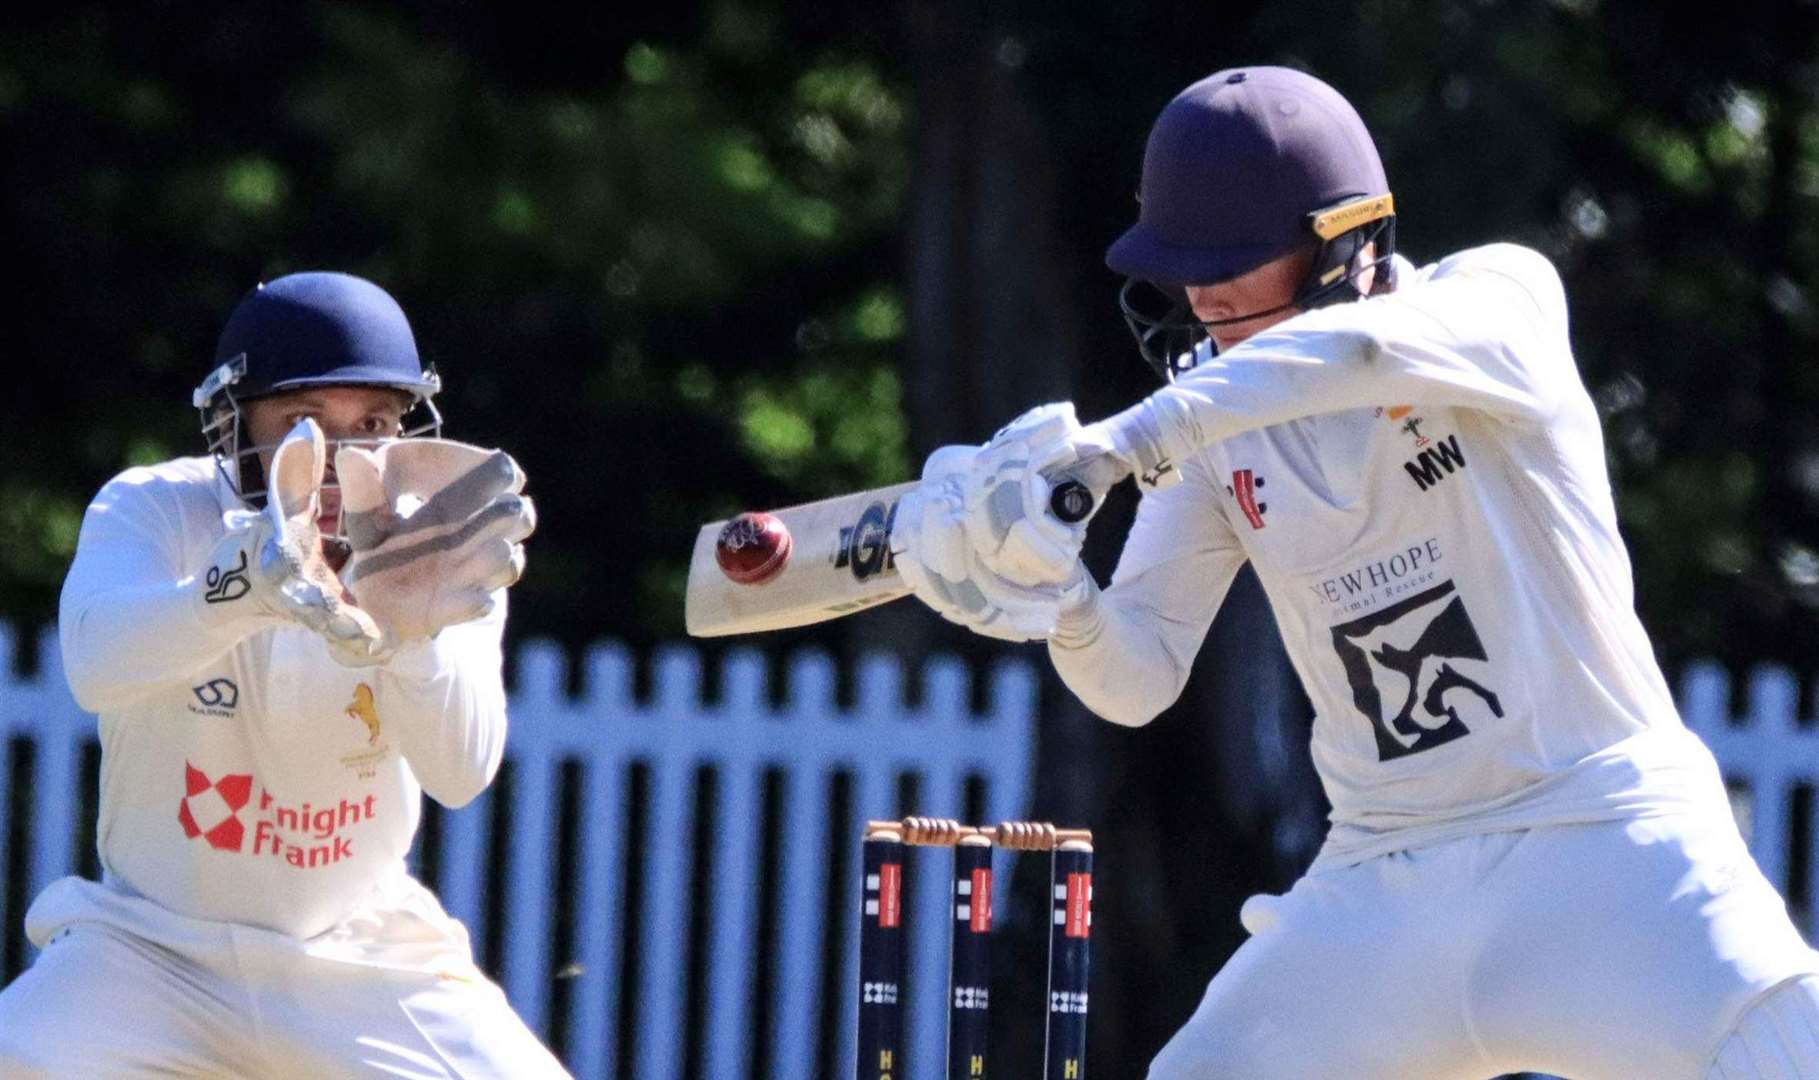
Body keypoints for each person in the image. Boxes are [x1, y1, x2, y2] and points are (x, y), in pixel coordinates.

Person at [891, 66, 1819, 1078]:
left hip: (1604, 837)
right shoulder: (1211, 424)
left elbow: (1366, 355)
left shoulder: (1497, 302)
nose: (1198, 293)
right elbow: (1136, 675)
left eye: (1231, 259)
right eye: (1181, 263)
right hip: (1385, 875)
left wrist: (1120, 444)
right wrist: (1058, 595)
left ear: (1343, 240)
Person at [0, 271, 565, 1077]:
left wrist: (410, 635)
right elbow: (96, 666)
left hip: (362, 958)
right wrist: (241, 588)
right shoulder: (155, 508)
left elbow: (462, 772)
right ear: (232, 431)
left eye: (371, 422)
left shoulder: (443, 549)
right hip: (151, 951)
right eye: (302, 421)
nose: (337, 459)